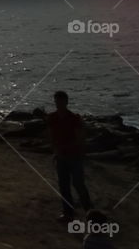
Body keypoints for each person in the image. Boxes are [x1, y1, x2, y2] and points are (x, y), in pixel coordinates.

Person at [48, 90, 92, 221]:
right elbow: (51, 136)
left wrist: (73, 150)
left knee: (78, 184)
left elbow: (80, 138)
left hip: (74, 156)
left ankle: (90, 212)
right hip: (61, 156)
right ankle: (68, 213)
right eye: (57, 101)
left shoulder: (74, 118)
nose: (58, 104)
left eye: (61, 101)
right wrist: (56, 151)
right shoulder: (52, 118)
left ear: (66, 102)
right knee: (64, 185)